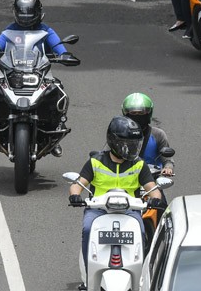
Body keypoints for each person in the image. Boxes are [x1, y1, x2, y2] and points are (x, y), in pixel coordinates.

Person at [0, 0, 79, 156]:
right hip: (11, 71)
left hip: (40, 72)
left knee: (58, 91)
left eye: (29, 14)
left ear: (38, 13)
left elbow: (59, 48)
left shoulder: (46, 31)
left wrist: (64, 55)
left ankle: (53, 134)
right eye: (22, 14)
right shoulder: (9, 30)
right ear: (16, 13)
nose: (26, 19)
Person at [68, 116, 164, 275]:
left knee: (140, 232)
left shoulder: (139, 165)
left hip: (130, 210)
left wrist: (155, 198)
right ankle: (88, 273)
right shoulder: (95, 162)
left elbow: (153, 189)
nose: (133, 149)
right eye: (129, 145)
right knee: (87, 228)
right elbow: (77, 184)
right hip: (98, 209)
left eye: (135, 145)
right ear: (114, 142)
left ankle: (141, 275)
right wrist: (75, 196)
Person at [121, 93, 175, 177]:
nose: (137, 117)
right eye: (133, 113)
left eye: (141, 113)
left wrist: (168, 168)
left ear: (148, 114)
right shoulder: (119, 134)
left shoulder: (158, 134)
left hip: (152, 179)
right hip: (125, 178)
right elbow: (106, 155)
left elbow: (167, 159)